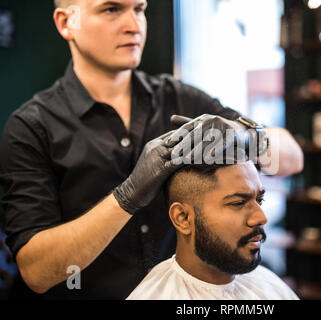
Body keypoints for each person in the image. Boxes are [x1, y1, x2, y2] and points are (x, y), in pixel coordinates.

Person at [0, 0, 303, 299]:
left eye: (139, 9)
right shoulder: (31, 128)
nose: (133, 25)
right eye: (111, 9)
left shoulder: (182, 101)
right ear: (66, 22)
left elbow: (291, 158)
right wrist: (127, 196)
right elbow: (36, 272)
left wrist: (246, 137)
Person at [127, 161, 299, 300]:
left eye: (259, 200)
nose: (261, 218)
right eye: (238, 203)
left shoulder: (269, 285)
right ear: (183, 218)